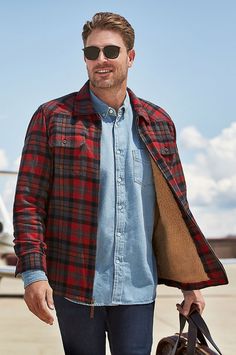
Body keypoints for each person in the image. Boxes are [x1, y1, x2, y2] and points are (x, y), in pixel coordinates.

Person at [13, 12, 228, 355]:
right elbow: (28, 201)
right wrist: (33, 273)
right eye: (92, 52)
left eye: (111, 52)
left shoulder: (158, 123)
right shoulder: (52, 117)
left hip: (138, 291)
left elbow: (176, 210)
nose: (101, 60)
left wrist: (191, 285)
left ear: (130, 57)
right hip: (75, 286)